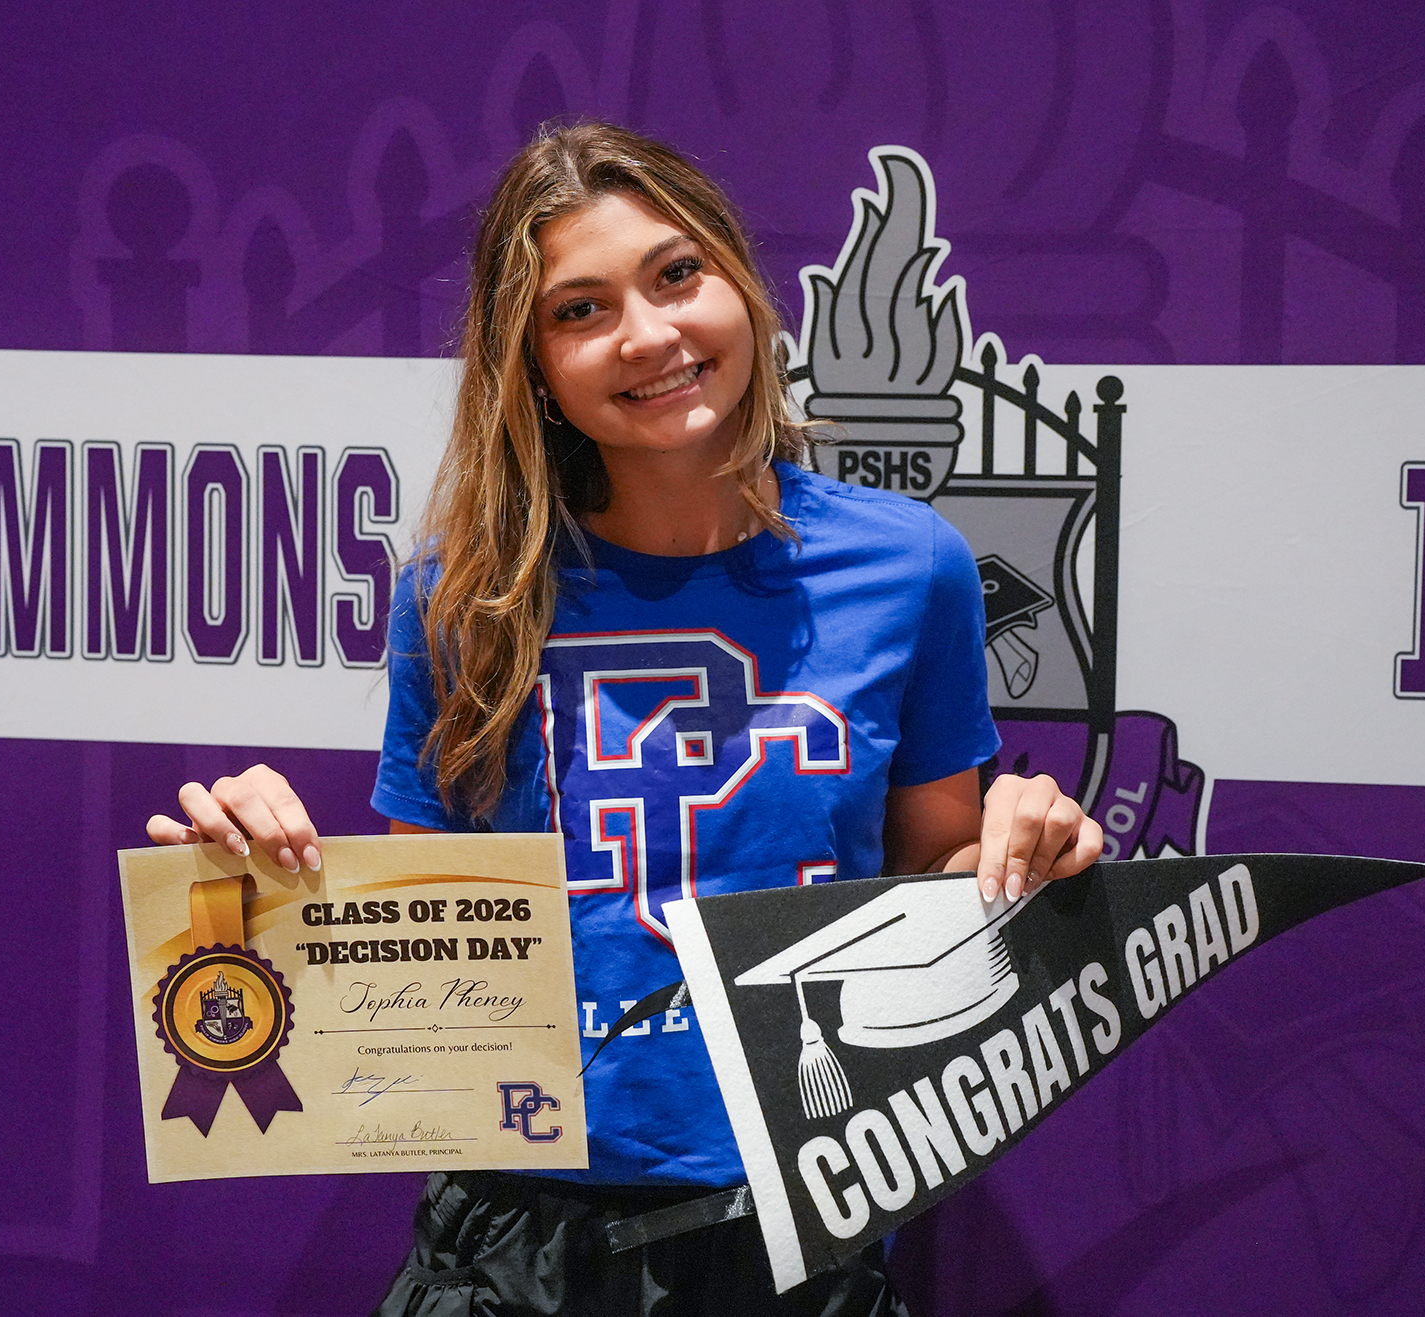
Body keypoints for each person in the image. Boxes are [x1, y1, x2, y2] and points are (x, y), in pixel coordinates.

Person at [146, 121, 1102, 1317]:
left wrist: (1025, 840)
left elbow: (928, 882)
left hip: (798, 1217)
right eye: (581, 309)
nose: (649, 335)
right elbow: (419, 956)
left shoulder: (912, 567)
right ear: (532, 363)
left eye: (676, 274)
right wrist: (262, 884)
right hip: (518, 1237)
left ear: (741, 286)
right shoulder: (465, 598)